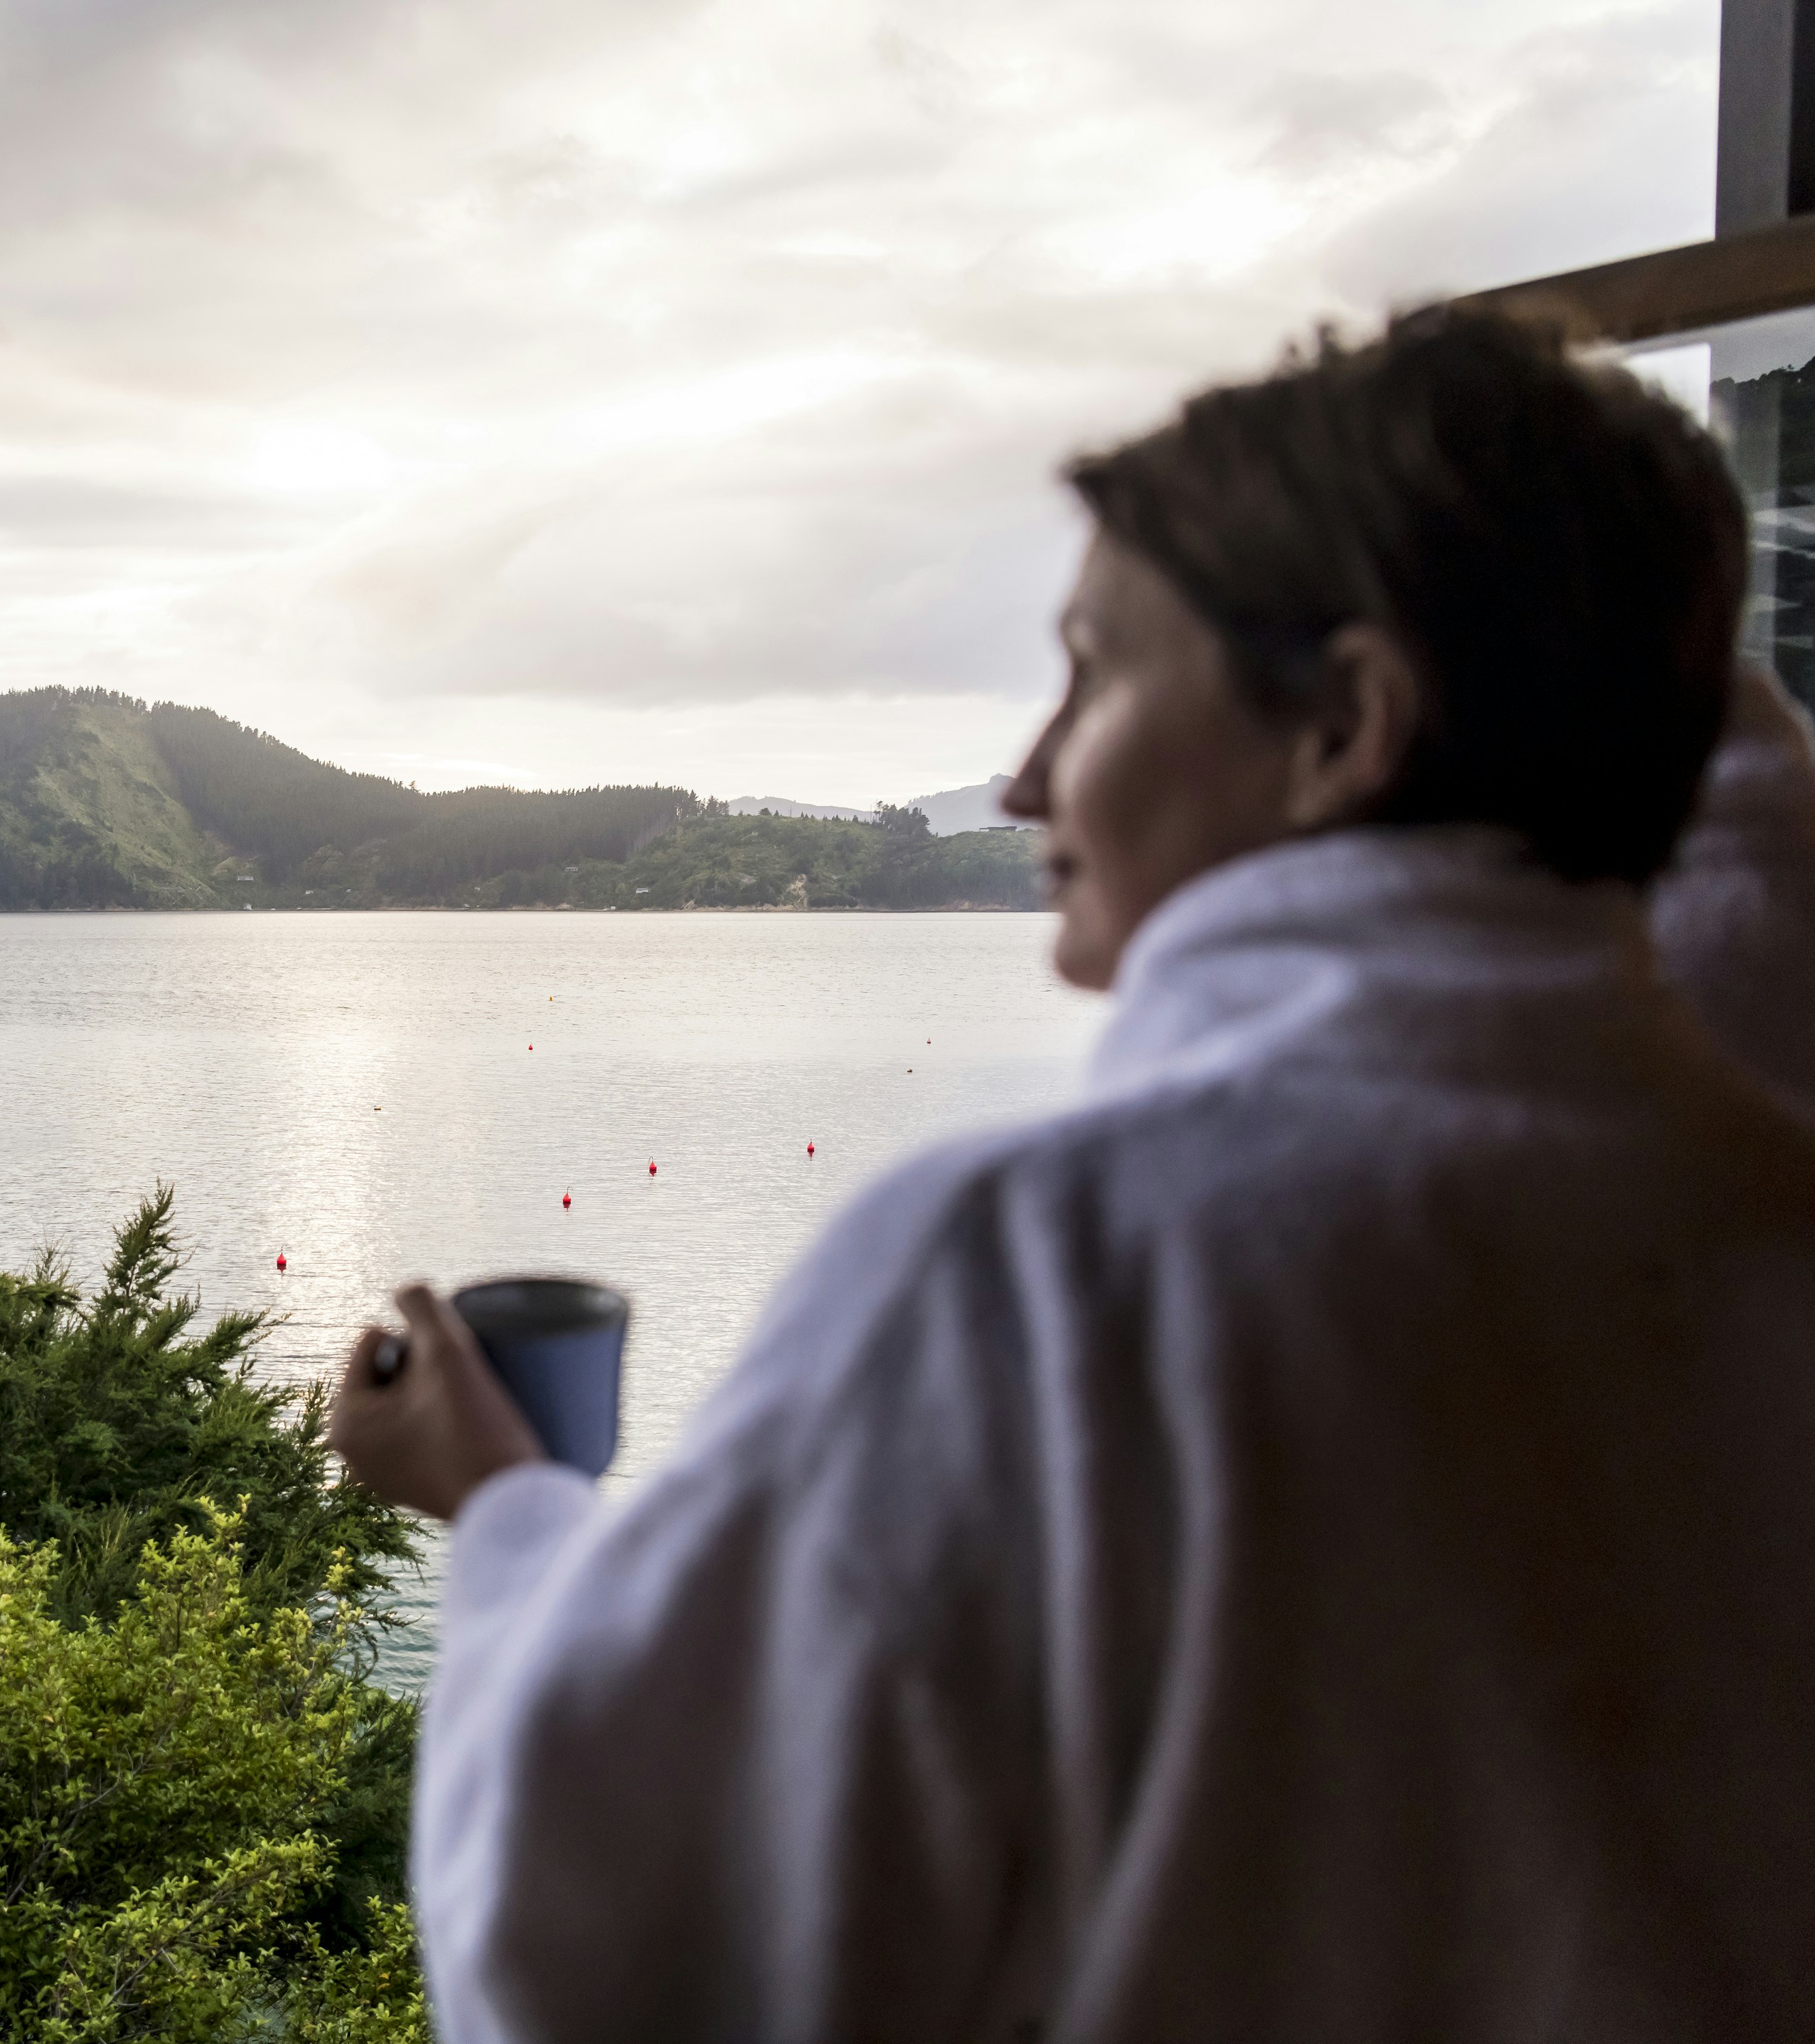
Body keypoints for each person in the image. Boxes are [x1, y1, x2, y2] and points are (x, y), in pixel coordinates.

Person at [330, 307, 1815, 2042]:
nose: (1030, 771)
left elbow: (606, 1962)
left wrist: (503, 1511)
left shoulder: (1038, 1278)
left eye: (1097, 671)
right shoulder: (1755, 1210)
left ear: (1343, 722)